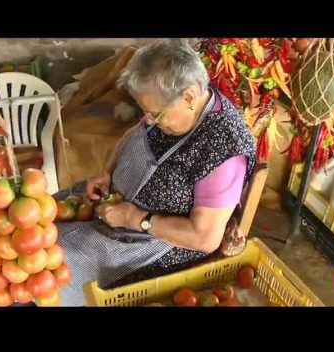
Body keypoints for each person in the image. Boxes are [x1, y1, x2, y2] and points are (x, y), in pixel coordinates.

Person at [56, 39, 256, 306]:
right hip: (115, 204)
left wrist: (136, 218)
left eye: (155, 115)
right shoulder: (173, 110)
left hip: (151, 245)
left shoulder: (224, 148)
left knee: (56, 260)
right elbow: (134, 133)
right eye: (145, 112)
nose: (148, 121)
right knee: (41, 216)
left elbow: (205, 238)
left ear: (189, 97)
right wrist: (107, 172)